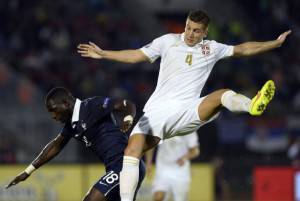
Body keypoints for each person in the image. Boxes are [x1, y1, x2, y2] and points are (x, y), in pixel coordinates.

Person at [77, 9, 291, 201]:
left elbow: (242, 49)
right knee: (131, 151)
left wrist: (274, 43)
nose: (190, 33)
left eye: (196, 31)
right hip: (157, 113)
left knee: (221, 95)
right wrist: (104, 54)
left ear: (205, 32)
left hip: (188, 111)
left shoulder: (212, 49)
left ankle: (252, 105)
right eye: (188, 27)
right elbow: (136, 55)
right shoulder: (168, 41)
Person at [5, 87, 145, 201]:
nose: (53, 116)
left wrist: (128, 118)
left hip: (125, 165)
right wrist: (27, 171)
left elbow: (126, 104)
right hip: (116, 168)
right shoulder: (71, 125)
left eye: (54, 110)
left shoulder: (91, 105)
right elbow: (55, 145)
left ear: (66, 103)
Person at [145, 132, 200, 201]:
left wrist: (185, 158)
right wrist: (148, 163)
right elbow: (151, 144)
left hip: (180, 170)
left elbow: (195, 151)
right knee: (158, 197)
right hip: (163, 168)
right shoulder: (162, 124)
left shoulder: (190, 127)